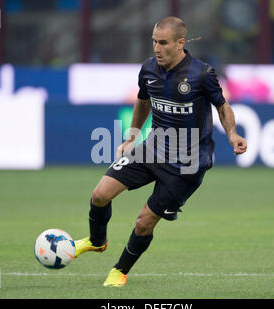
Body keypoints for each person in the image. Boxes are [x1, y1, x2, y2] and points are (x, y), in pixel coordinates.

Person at [74, 16, 247, 287]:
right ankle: (97, 242)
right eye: (154, 41)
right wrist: (132, 134)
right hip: (152, 149)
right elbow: (142, 101)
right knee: (99, 195)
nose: (156, 48)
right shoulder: (148, 70)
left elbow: (222, 107)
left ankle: (119, 271)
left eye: (163, 43)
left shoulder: (201, 74)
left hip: (186, 164)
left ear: (180, 43)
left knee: (144, 221)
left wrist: (233, 133)